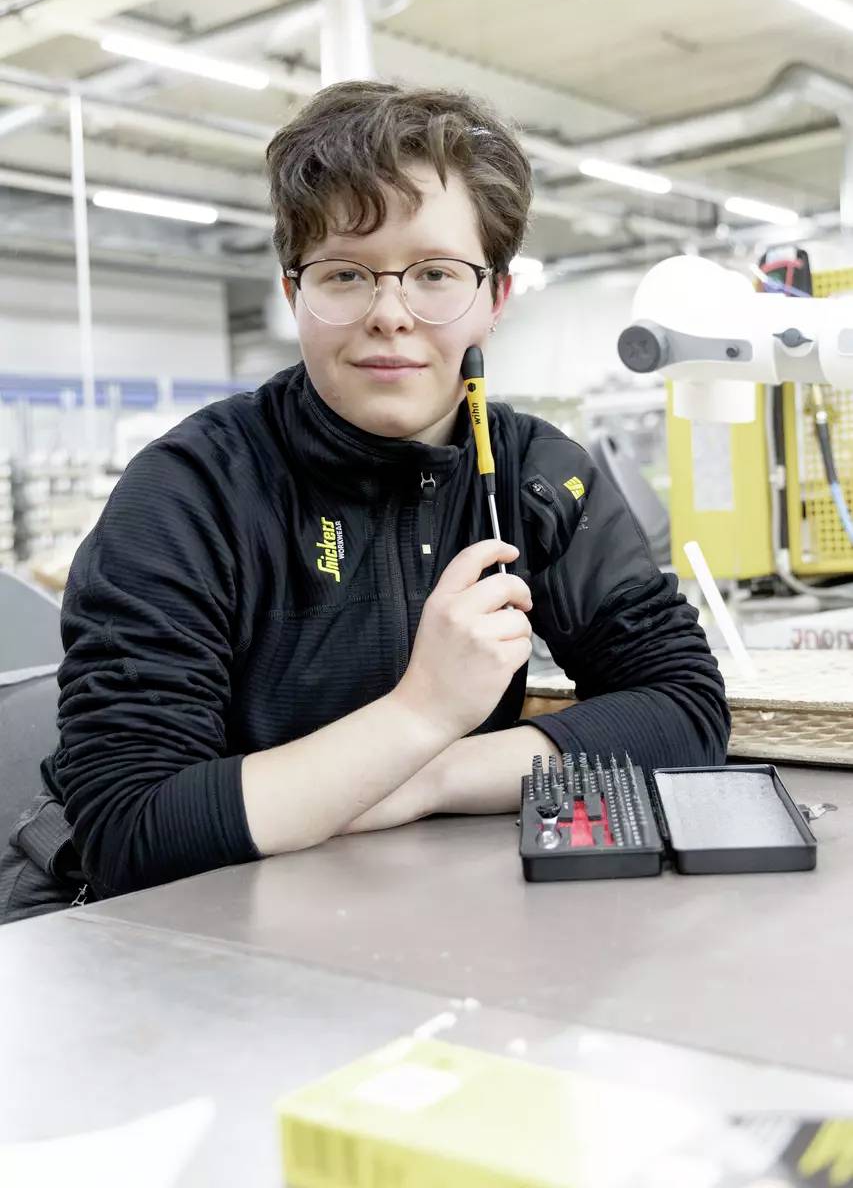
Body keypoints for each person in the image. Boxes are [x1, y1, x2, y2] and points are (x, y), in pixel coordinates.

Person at [0, 81, 729, 923]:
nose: (390, 314)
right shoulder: (189, 491)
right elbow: (133, 833)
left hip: (397, 910)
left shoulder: (534, 474)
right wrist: (423, 712)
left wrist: (427, 776)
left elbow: (681, 708)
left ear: (492, 299)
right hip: (157, 931)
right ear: (291, 293)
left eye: (434, 274)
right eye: (345, 273)